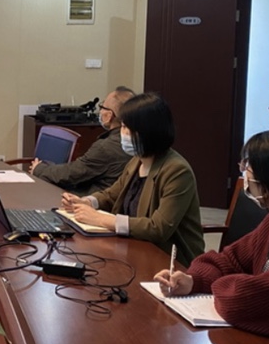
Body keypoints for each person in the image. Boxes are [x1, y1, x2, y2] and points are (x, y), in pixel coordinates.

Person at [154, 130, 269, 344]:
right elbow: (226, 261)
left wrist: (221, 284)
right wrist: (193, 281)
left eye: (248, 166)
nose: (244, 172)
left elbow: (241, 300)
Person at [61, 93, 205, 266]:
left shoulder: (177, 171)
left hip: (170, 261)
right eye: (123, 126)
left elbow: (158, 228)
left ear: (150, 132)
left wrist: (101, 219)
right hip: (134, 247)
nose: (123, 134)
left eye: (128, 128)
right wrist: (86, 202)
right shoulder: (136, 161)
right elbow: (111, 195)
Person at [30, 86, 136, 195]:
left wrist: (39, 169)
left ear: (109, 115)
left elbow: (72, 173)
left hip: (92, 200)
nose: (100, 111)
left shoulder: (106, 147)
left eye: (102, 107)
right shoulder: (137, 141)